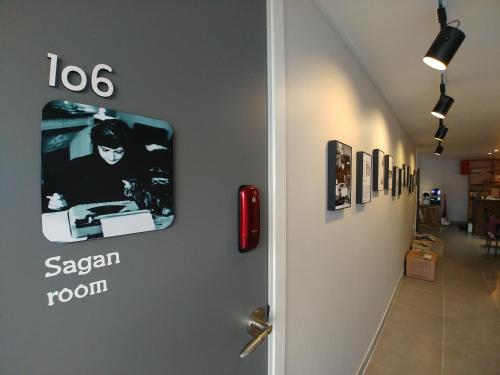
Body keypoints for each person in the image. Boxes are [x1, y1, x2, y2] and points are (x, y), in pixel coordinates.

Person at [46, 119, 139, 210]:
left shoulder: (135, 166)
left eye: (119, 151)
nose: (112, 157)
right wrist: (58, 204)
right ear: (96, 145)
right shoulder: (77, 166)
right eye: (105, 150)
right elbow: (59, 198)